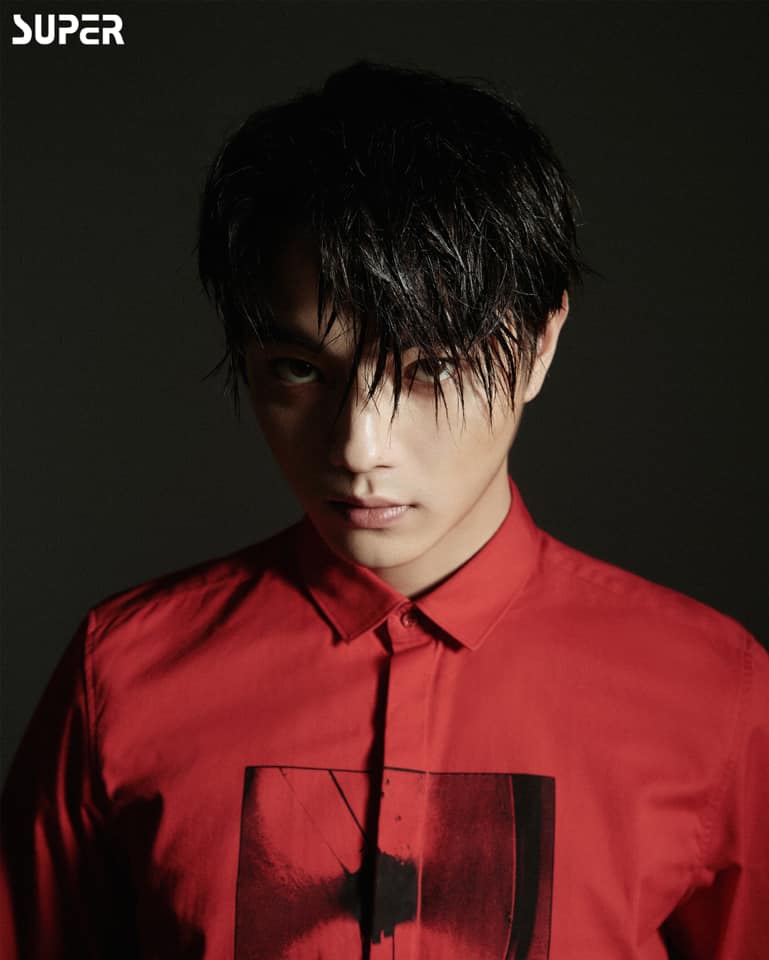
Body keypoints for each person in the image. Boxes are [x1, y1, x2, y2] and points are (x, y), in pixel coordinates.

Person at [2, 60, 767, 960]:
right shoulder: (123, 674)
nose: (360, 447)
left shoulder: (714, 693)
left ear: (539, 345)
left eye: (430, 369)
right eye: (299, 370)